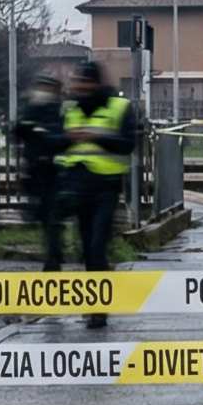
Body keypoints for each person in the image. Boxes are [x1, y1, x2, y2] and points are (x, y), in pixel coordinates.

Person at [54, 59, 135, 329]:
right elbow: (60, 145)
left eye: (86, 82)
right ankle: (93, 303)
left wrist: (94, 136)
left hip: (106, 189)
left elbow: (127, 144)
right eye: (78, 82)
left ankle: (98, 310)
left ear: (98, 83)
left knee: (97, 247)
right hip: (78, 189)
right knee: (86, 250)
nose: (81, 87)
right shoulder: (71, 110)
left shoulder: (119, 107)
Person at [11, 73, 68, 271]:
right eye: (40, 87)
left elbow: (61, 138)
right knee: (43, 216)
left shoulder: (58, 111)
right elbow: (18, 132)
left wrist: (40, 132)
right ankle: (54, 253)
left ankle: (53, 259)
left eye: (47, 87)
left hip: (55, 172)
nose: (43, 91)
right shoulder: (31, 110)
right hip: (35, 172)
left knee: (52, 217)